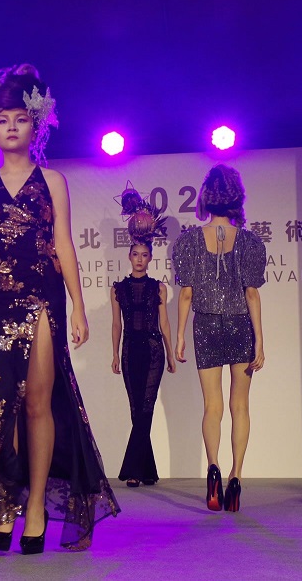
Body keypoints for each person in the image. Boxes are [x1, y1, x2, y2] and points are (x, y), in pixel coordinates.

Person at [0, 64, 119, 554]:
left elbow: (64, 245)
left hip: (42, 298)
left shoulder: (53, 181)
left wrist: (79, 306)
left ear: (36, 125)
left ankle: (34, 511)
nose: (11, 126)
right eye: (2, 119)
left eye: (20, 118)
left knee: (37, 403)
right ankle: (5, 504)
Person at [171, 164, 266, 512]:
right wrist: (259, 339)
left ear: (206, 197)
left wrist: (179, 335)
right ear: (237, 197)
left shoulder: (189, 241)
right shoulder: (251, 242)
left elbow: (186, 294)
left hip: (206, 326)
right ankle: (235, 476)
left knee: (212, 406)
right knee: (240, 406)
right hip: (241, 325)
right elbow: (252, 293)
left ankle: (212, 468)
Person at [110, 186, 179, 487]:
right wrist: (114, 354)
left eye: (144, 255)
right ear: (129, 256)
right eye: (135, 255)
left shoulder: (158, 288)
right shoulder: (117, 289)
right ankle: (147, 470)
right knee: (135, 409)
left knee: (146, 408)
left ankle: (134, 471)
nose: (139, 259)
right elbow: (116, 325)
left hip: (153, 351)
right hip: (129, 351)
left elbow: (164, 323)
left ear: (150, 258)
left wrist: (171, 353)